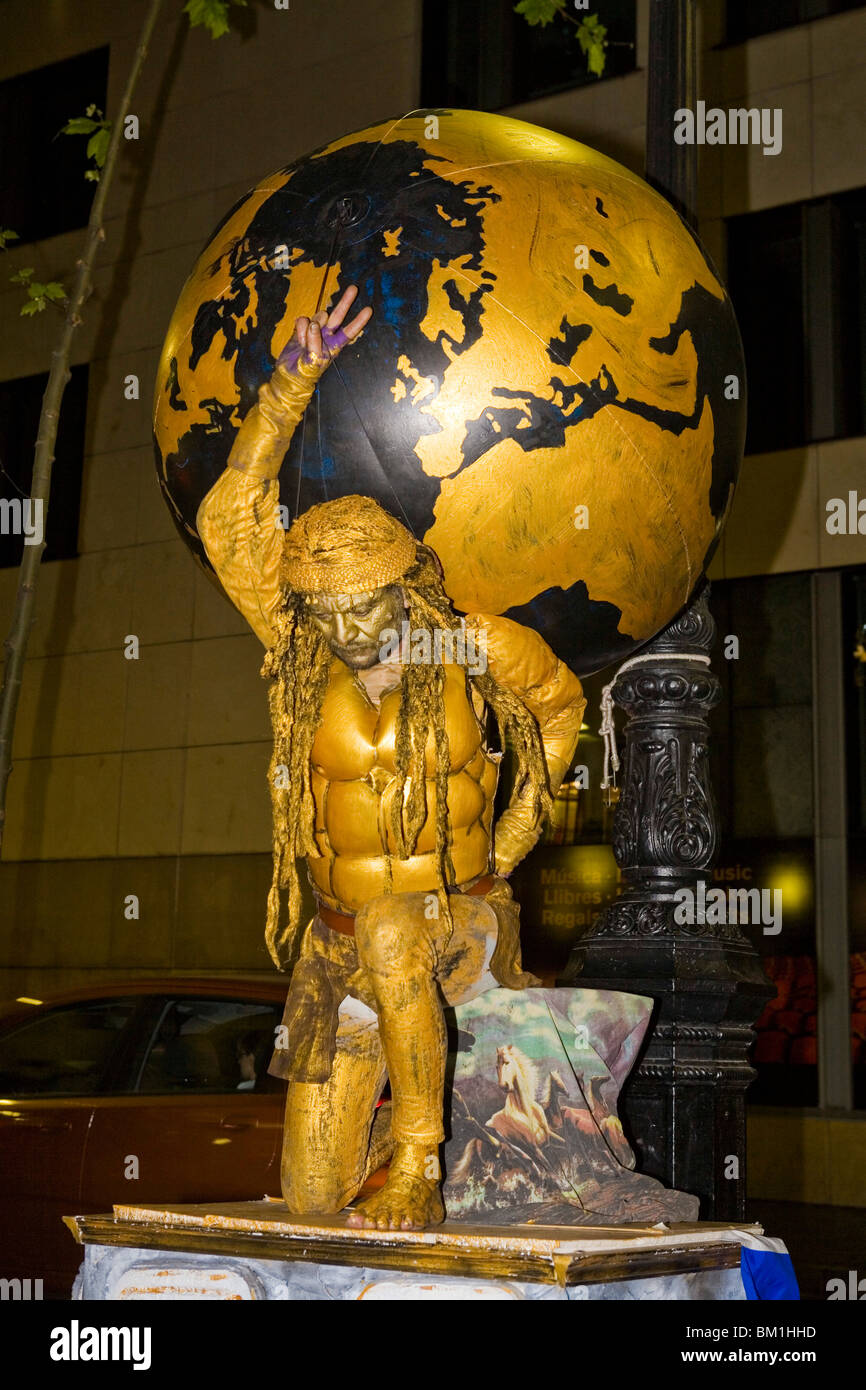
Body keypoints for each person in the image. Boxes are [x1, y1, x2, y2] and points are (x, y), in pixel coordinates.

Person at [197, 285, 586, 1230]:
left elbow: (559, 704)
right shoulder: (300, 648)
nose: (349, 630)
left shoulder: (470, 647)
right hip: (338, 946)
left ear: (407, 582)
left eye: (365, 607)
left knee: (391, 930)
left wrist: (520, 832)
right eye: (328, 613)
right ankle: (379, 1150)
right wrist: (291, 382)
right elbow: (230, 519)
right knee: (311, 1197)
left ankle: (419, 1159)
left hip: (453, 923)